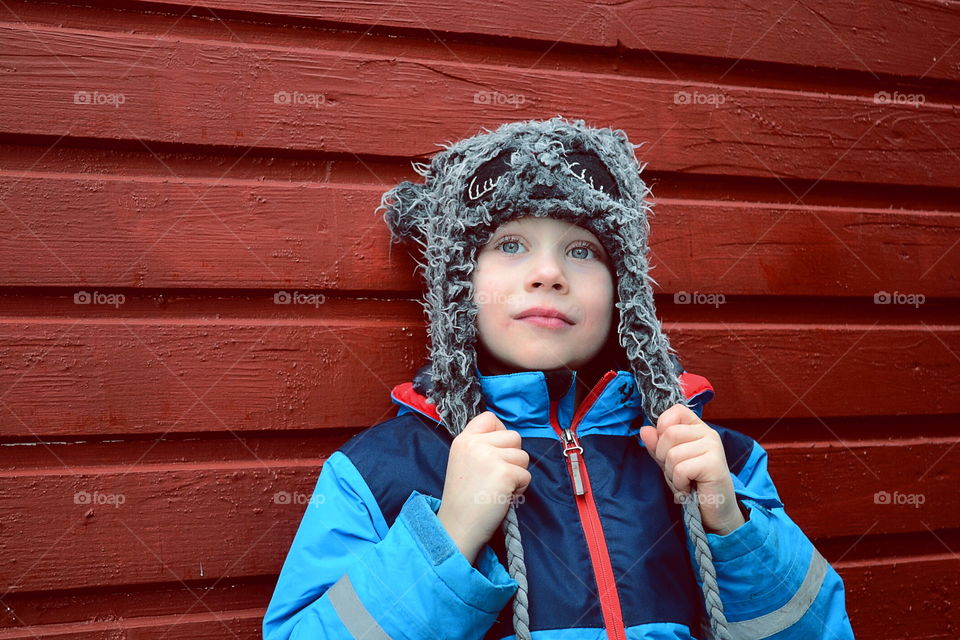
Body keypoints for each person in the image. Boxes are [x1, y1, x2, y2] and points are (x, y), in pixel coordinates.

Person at [262, 116, 856, 639]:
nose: (548, 273)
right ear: (457, 285)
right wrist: (447, 539)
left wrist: (732, 528)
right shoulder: (380, 472)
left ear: (624, 291)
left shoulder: (703, 456)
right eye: (511, 243)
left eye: (582, 251)